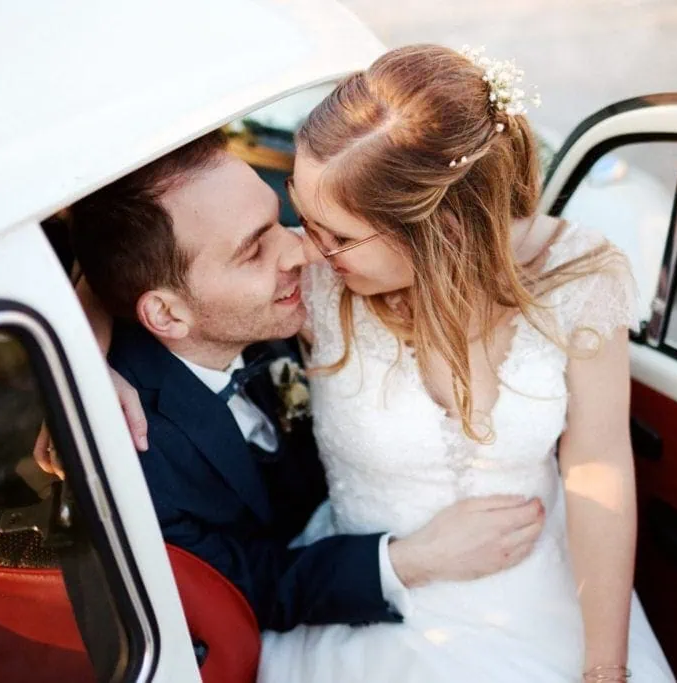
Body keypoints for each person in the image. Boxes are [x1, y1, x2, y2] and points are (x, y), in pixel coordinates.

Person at [254, 45, 675, 682]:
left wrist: (605, 665)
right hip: (367, 612)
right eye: (301, 210)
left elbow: (597, 463)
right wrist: (94, 333)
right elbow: (166, 277)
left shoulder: (582, 277)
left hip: (548, 602)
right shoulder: (315, 279)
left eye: (337, 235)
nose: (309, 246)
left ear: (440, 231)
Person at [37, 129, 547, 633]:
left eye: (280, 219)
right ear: (167, 315)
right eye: (253, 251)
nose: (305, 253)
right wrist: (415, 560)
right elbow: (239, 587)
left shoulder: (268, 304)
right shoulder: (135, 459)